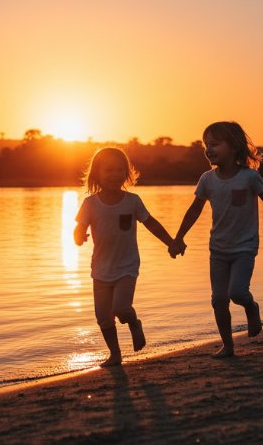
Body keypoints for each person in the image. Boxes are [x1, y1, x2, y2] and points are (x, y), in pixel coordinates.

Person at [171, 121, 263, 358]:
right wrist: (179, 237)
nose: (208, 149)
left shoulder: (249, 177)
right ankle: (228, 346)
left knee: (238, 293)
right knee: (218, 300)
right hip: (218, 249)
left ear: (233, 147)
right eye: (206, 144)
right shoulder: (207, 180)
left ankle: (251, 306)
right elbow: (194, 210)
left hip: (244, 247)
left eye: (215, 144)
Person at [74, 147, 176, 367]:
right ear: (97, 174)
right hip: (100, 269)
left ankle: (134, 323)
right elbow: (78, 229)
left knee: (121, 308)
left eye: (119, 170)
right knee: (103, 316)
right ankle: (115, 354)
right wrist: (79, 237)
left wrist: (171, 242)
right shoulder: (90, 204)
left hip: (127, 266)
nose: (114, 174)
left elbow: (151, 223)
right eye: (108, 170)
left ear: (126, 173)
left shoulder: (132, 201)